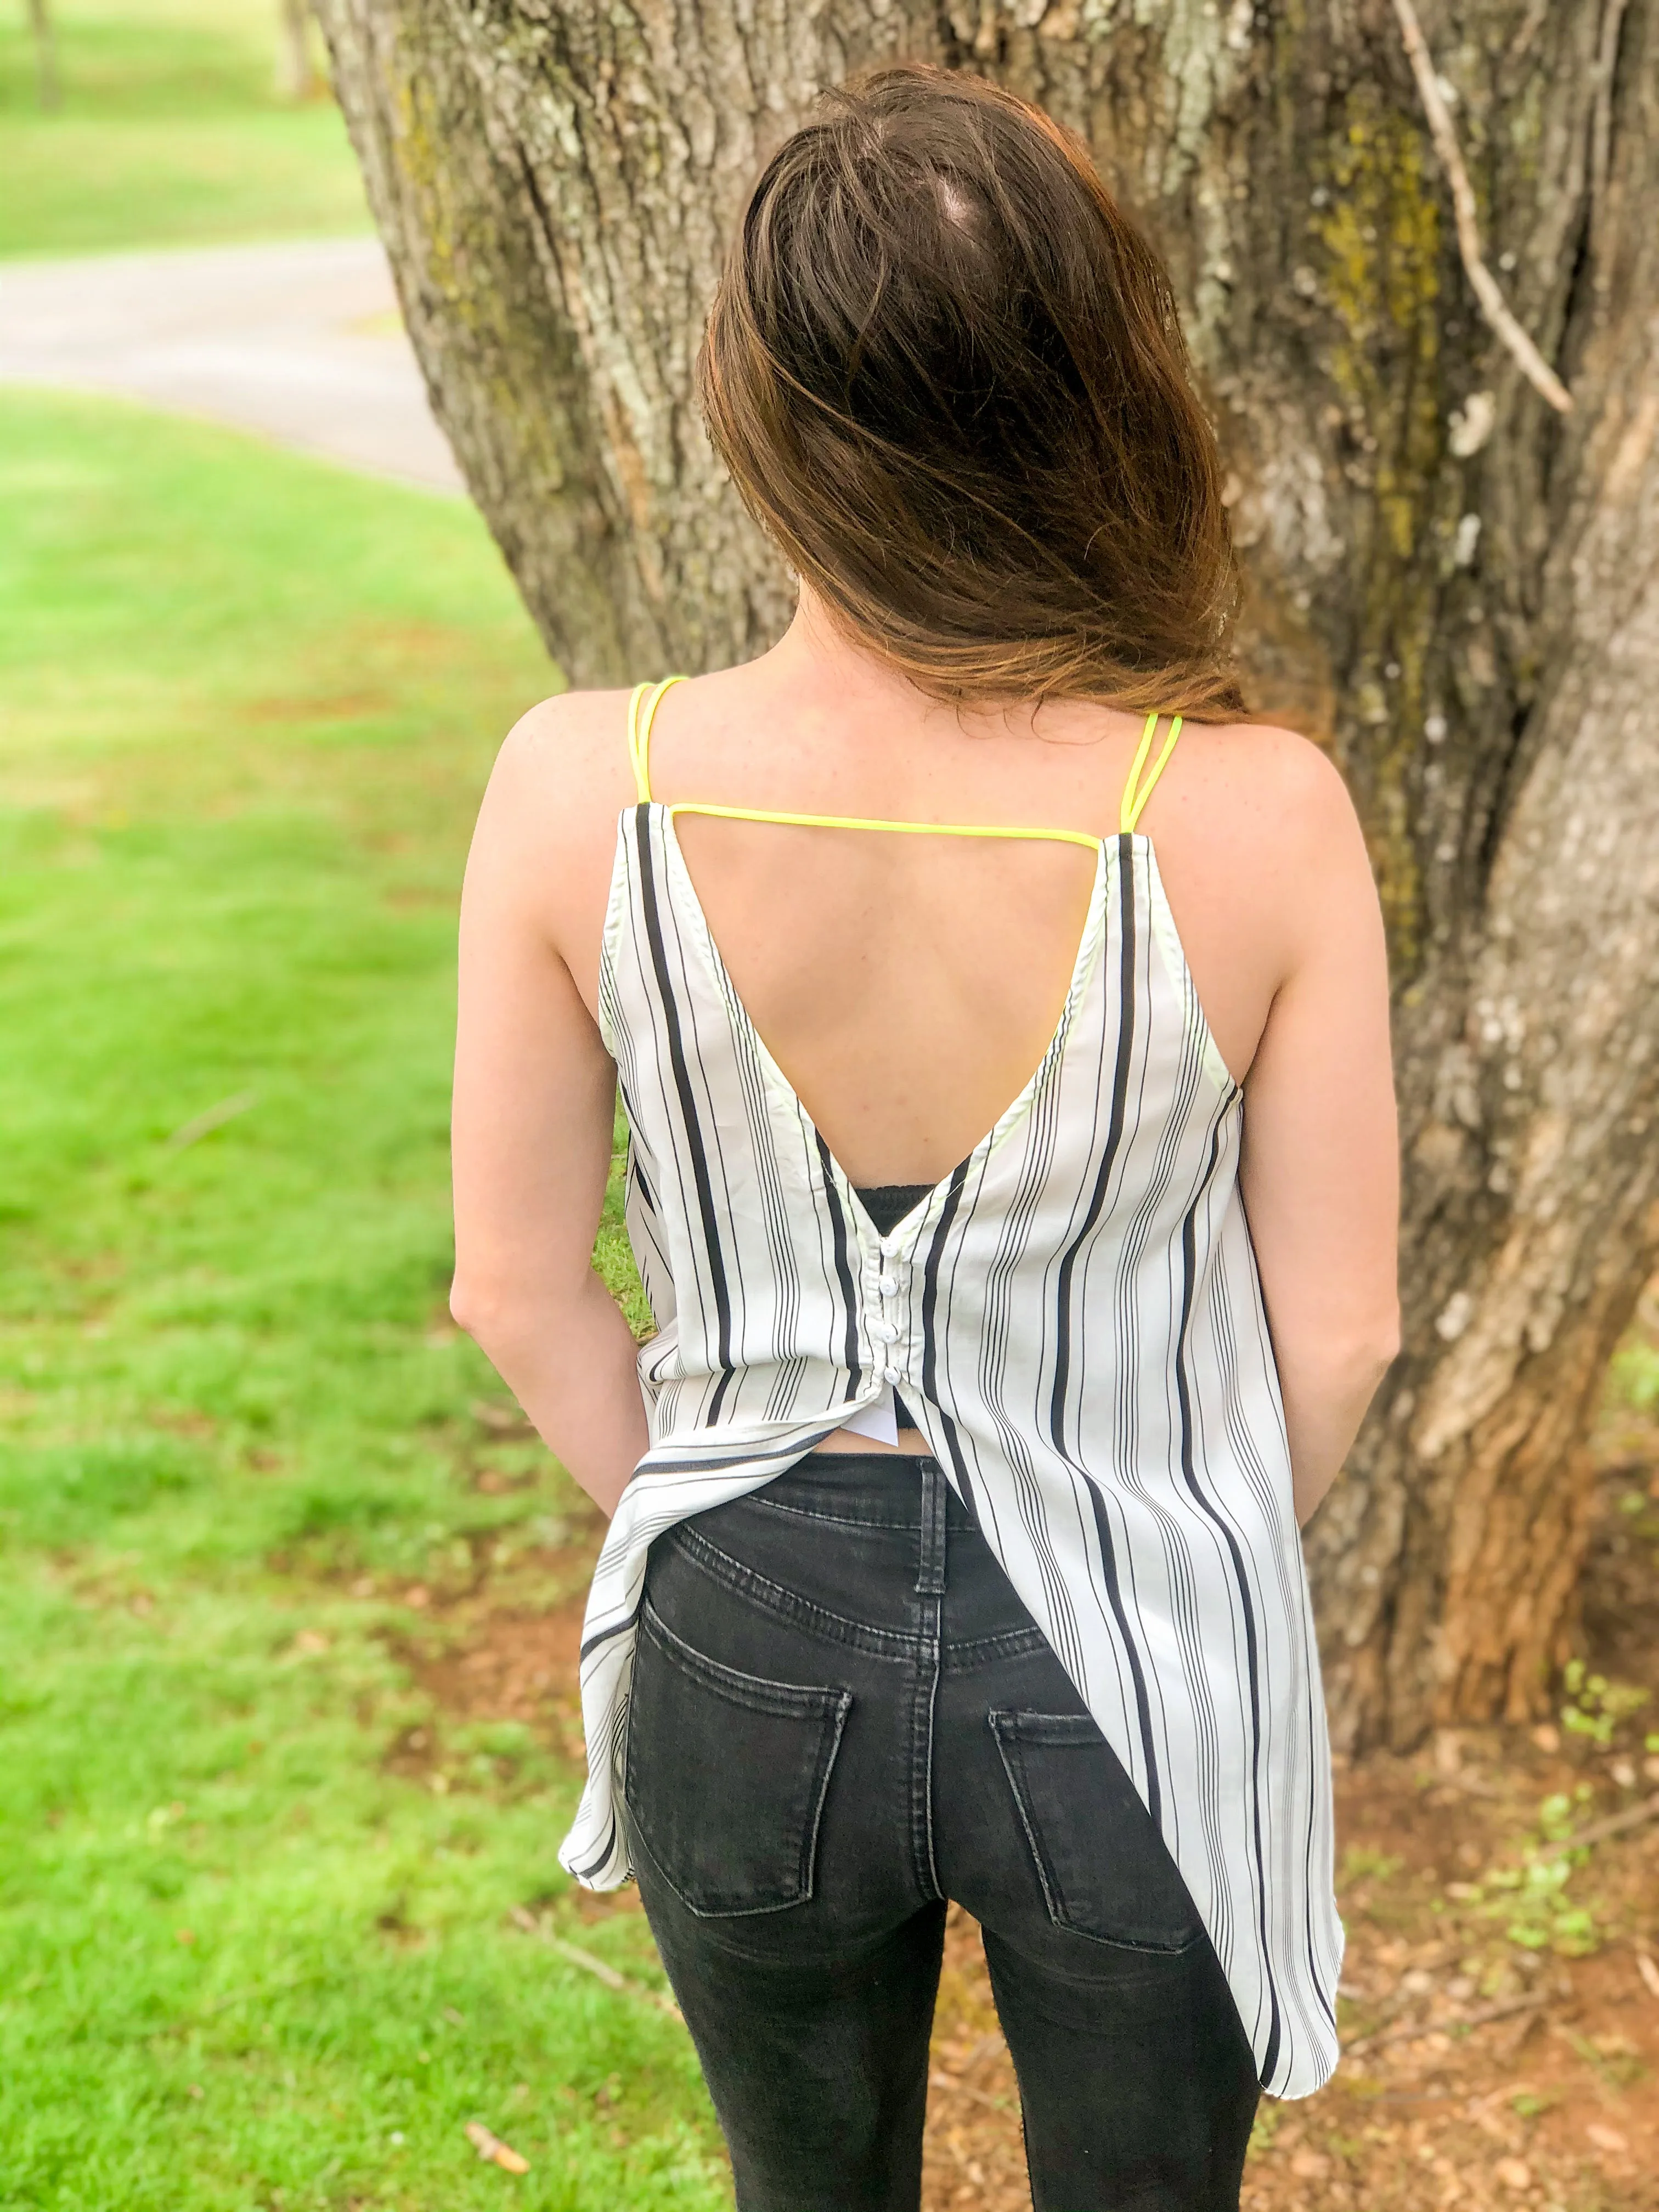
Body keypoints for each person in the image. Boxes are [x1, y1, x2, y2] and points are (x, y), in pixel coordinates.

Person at [449, 63, 1399, 2212]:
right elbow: (1337, 1338)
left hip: (741, 1620)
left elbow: (514, 1290)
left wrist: (716, 1507)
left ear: (755, 405)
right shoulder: (1254, 811)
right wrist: (1167, 1539)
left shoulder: (574, 782)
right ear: (1094, 393)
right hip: (1139, 1640)